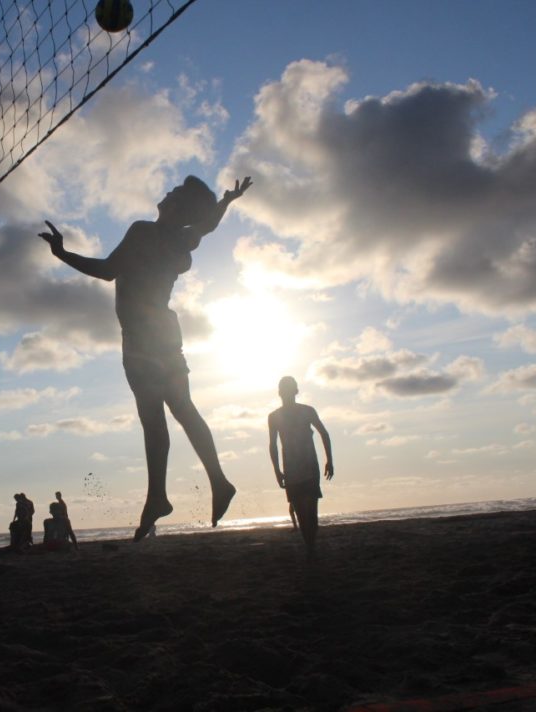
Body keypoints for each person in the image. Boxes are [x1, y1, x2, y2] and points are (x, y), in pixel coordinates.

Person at [39, 176, 252, 541]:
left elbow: (107, 271)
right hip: (166, 332)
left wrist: (62, 254)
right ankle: (215, 480)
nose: (166, 192)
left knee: (155, 422)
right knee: (184, 408)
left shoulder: (143, 231)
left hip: (140, 339)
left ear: (176, 207)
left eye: (174, 193)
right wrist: (227, 202)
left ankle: (159, 497)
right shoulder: (184, 238)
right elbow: (208, 225)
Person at [268, 376, 334, 560]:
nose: (287, 393)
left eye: (290, 390)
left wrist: (329, 460)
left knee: (311, 512)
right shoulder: (274, 417)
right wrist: (277, 470)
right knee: (301, 513)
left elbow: (324, 433)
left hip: (309, 467)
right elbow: (272, 445)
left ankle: (311, 547)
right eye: (285, 390)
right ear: (280, 393)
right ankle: (310, 547)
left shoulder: (307, 411)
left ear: (295, 391)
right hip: (291, 470)